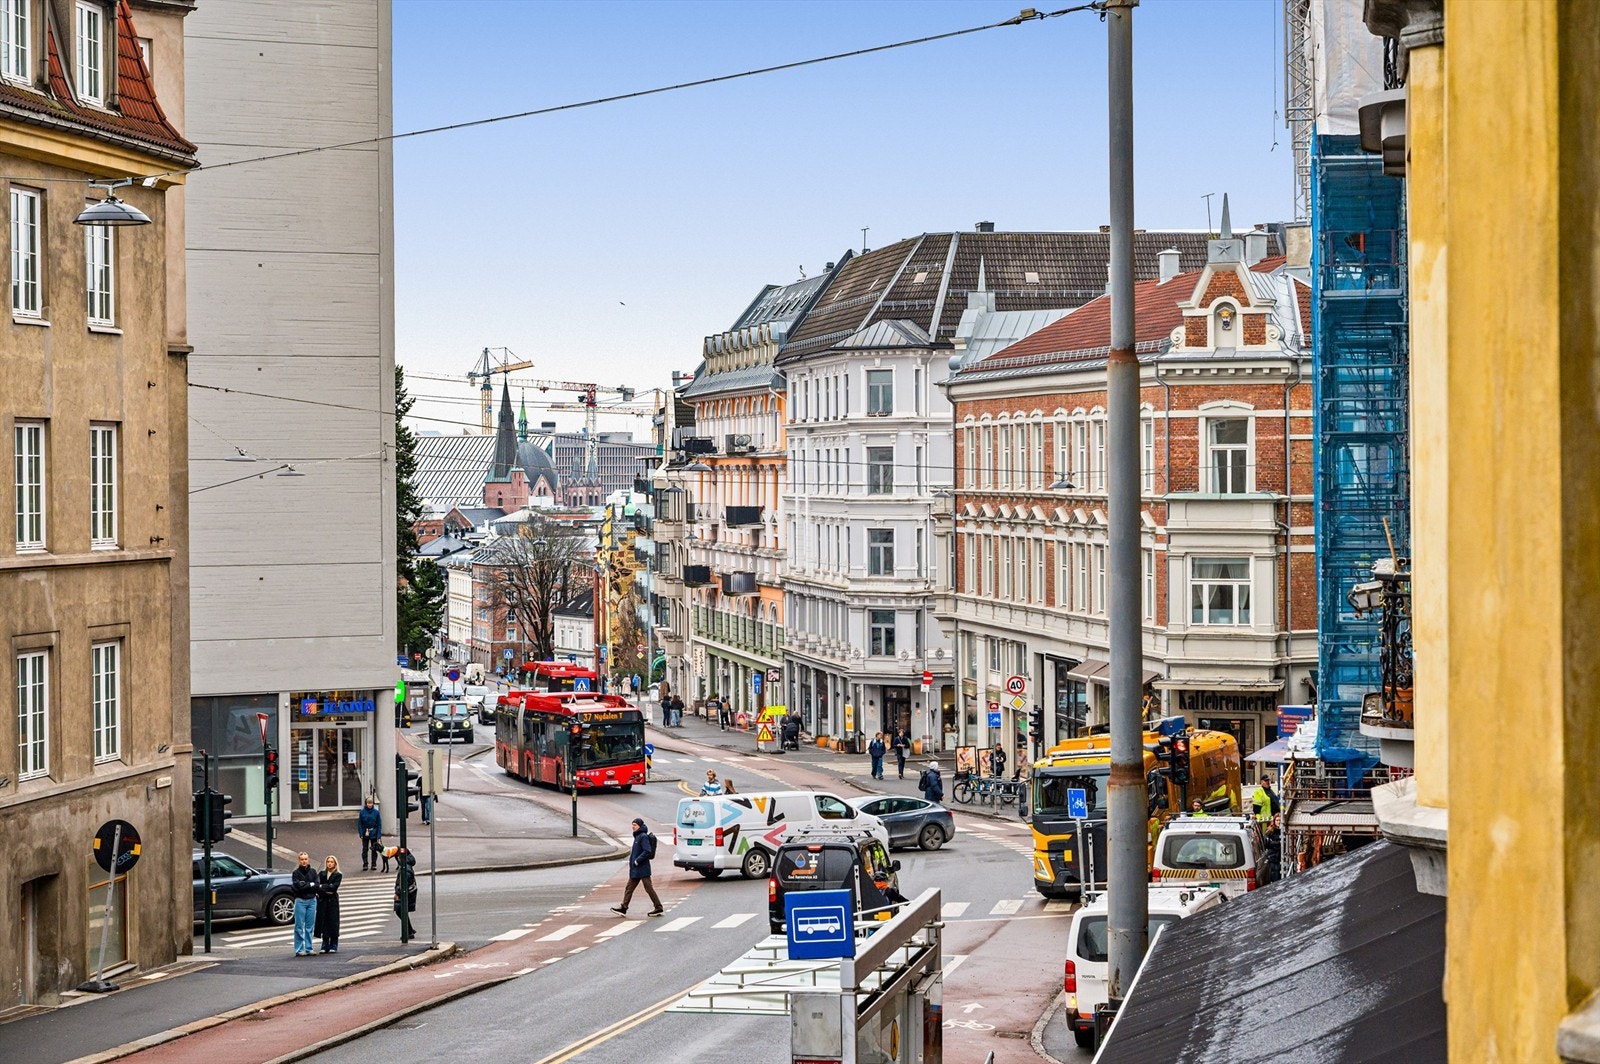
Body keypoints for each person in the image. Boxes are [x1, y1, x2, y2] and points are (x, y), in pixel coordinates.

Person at [610, 817, 664, 918]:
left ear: (639, 826)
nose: (633, 827)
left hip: (642, 868)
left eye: (635, 825)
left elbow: (647, 851)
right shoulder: (638, 836)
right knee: (629, 888)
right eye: (632, 825)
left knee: (649, 888)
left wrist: (637, 861)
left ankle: (658, 907)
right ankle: (624, 907)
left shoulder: (642, 836)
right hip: (636, 869)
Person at [291, 852, 319, 957]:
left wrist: (304, 885)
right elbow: (297, 886)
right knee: (299, 926)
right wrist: (309, 884)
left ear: (308, 860)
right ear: (299, 860)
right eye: (302, 859)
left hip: (312, 900)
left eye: (306, 859)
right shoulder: (296, 873)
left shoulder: (313, 871)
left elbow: (316, 885)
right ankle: (299, 949)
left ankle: (309, 948)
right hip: (300, 901)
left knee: (309, 926)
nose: (304, 861)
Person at [315, 856, 343, 953]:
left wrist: (324, 887)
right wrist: (325, 888)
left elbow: (334, 888)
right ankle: (325, 943)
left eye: (332, 862)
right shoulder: (322, 873)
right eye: (328, 862)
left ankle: (334, 943)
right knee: (324, 921)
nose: (330, 863)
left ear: (335, 863)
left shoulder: (338, 875)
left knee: (333, 922)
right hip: (323, 900)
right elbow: (317, 886)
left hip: (332, 901)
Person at [391, 847, 418, 940]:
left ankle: (408, 932)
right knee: (403, 911)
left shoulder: (404, 868)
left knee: (400, 910)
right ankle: (409, 930)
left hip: (406, 893)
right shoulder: (407, 864)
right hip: (410, 892)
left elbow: (403, 883)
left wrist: (397, 893)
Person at [358, 798, 382, 871]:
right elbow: (360, 824)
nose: (369, 805)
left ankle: (374, 864)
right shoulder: (362, 812)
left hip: (373, 832)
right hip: (365, 832)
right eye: (368, 803)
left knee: (374, 849)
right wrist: (361, 834)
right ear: (366, 803)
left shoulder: (376, 812)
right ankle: (365, 864)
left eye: (371, 803)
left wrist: (378, 835)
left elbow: (379, 824)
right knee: (365, 849)